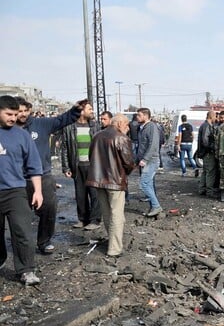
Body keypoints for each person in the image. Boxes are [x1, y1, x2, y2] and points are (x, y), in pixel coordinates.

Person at [0, 97, 82, 255]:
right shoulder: (7, 131)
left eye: (25, 111)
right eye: (19, 112)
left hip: (42, 176)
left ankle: (44, 241)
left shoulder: (41, 124)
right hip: (17, 181)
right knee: (19, 217)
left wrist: (75, 110)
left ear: (29, 110)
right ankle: (15, 249)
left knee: (48, 209)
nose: (22, 114)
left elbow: (62, 119)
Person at [0, 96, 43, 285]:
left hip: (16, 191)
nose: (13, 118)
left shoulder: (22, 135)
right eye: (9, 114)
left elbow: (34, 164)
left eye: (15, 114)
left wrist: (38, 191)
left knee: (23, 232)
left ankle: (26, 270)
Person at [86, 114, 135, 257]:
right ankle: (114, 248)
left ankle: (112, 242)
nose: (128, 127)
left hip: (99, 180)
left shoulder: (97, 136)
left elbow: (91, 157)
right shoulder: (121, 138)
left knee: (107, 213)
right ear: (120, 123)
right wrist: (128, 171)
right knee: (117, 214)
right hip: (115, 181)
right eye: (126, 124)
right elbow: (128, 162)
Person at [61, 99, 102, 230]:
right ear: (82, 111)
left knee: (94, 194)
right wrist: (66, 167)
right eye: (90, 109)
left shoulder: (95, 126)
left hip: (93, 165)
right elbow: (65, 148)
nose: (92, 111)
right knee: (80, 194)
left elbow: (100, 147)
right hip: (77, 166)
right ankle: (83, 219)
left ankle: (95, 220)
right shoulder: (69, 127)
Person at [135, 107, 162, 216]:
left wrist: (145, 159)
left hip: (151, 160)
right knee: (149, 184)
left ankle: (156, 206)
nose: (137, 117)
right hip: (145, 160)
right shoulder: (143, 127)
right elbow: (142, 145)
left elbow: (153, 144)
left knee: (144, 184)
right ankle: (153, 208)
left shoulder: (151, 127)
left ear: (146, 116)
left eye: (139, 115)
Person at [197, 110, 218, 197]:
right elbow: (205, 141)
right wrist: (213, 147)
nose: (216, 118)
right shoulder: (206, 126)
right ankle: (209, 191)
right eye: (215, 116)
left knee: (205, 171)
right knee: (210, 172)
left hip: (205, 152)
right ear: (211, 116)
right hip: (208, 153)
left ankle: (202, 189)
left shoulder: (205, 125)